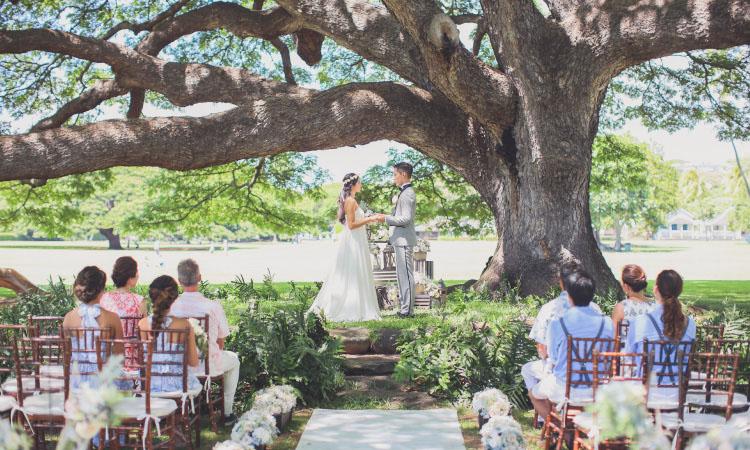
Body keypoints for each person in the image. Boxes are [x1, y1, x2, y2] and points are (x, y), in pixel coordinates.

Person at [530, 270, 614, 420]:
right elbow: (612, 355)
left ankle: (559, 428)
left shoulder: (558, 323)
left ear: (569, 296)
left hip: (564, 387)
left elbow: (554, 359)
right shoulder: (607, 323)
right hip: (599, 388)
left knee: (534, 394)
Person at [169, 259, 241, 424]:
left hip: (180, 365)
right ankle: (227, 413)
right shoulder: (212, 306)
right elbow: (221, 339)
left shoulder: (173, 307)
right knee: (234, 361)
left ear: (179, 281)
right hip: (208, 365)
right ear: (200, 277)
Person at [521, 260, 602, 401]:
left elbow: (544, 351)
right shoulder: (598, 312)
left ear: (562, 282)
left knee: (529, 371)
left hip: (562, 376)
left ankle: (544, 418)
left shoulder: (550, 310)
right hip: (594, 376)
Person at [308, 173, 382, 322]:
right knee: (353, 271)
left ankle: (361, 305)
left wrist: (370, 218)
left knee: (357, 271)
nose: (361, 184)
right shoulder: (350, 201)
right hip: (353, 241)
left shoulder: (352, 200)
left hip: (357, 240)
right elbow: (352, 225)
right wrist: (371, 218)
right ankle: (350, 308)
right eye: (360, 182)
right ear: (353, 184)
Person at [626, 269, 696, 388]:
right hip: (677, 394)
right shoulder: (690, 324)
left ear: (656, 290)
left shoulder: (639, 322)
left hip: (644, 394)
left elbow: (629, 357)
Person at [63, 266, 124, 389]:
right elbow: (119, 357)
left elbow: (67, 355)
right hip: (104, 384)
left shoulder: (68, 318)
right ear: (101, 290)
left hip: (76, 383)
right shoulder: (113, 318)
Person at [138, 276, 201, 395]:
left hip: (151, 386)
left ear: (152, 297)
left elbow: (143, 361)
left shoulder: (142, 324)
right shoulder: (184, 324)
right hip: (179, 386)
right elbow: (193, 362)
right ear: (175, 298)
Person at [384, 162, 417, 318]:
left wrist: (385, 218)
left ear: (403, 174)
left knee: (406, 275)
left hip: (404, 241)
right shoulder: (404, 193)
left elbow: (406, 219)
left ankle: (408, 310)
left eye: (395, 174)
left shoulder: (408, 193)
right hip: (400, 241)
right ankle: (405, 308)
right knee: (401, 275)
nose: (394, 177)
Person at [611, 264, 654, 339]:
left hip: (627, 350)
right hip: (651, 350)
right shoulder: (656, 306)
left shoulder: (621, 308)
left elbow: (614, 338)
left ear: (626, 286)